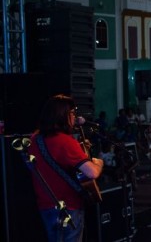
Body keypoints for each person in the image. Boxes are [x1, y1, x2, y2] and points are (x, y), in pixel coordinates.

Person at [28, 94, 104, 242]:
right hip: (69, 207)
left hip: (46, 205)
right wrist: (98, 162)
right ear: (64, 115)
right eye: (72, 113)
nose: (75, 117)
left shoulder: (34, 139)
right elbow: (92, 172)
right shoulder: (65, 142)